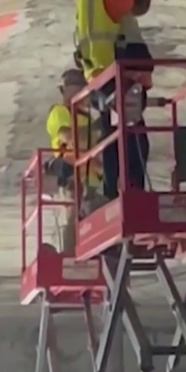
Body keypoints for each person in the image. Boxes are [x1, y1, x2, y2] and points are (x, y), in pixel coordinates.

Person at [71, 0, 184, 199]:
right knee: (133, 143)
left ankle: (115, 194)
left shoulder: (88, 2)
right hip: (119, 83)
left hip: (102, 85)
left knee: (116, 140)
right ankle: (132, 195)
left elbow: (140, 4)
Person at [44, 69, 104, 253]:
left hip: (91, 178)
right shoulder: (60, 112)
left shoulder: (87, 118)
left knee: (98, 216)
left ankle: (94, 255)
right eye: (77, 87)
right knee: (73, 216)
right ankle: (69, 257)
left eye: (82, 88)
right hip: (72, 175)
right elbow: (69, 137)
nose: (81, 92)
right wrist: (96, 130)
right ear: (65, 90)